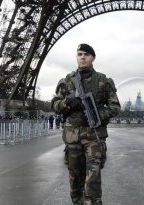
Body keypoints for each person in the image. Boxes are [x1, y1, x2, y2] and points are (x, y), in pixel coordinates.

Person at [51, 43, 121, 205]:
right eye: (80, 54)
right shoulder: (67, 80)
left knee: (93, 179)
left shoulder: (103, 81)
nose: (82, 57)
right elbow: (54, 105)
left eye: (86, 55)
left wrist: (96, 115)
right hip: (72, 137)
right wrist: (67, 103)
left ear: (93, 58)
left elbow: (115, 107)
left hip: (94, 136)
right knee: (75, 179)